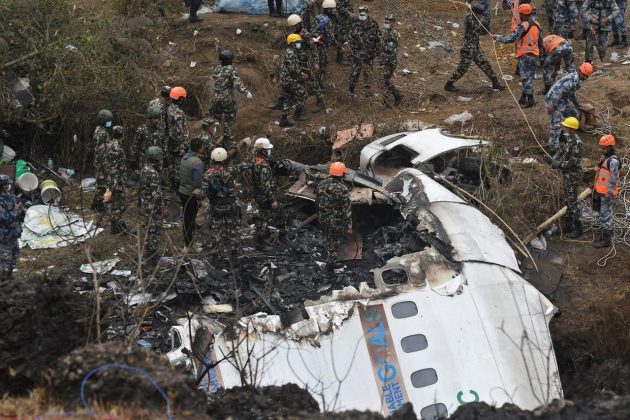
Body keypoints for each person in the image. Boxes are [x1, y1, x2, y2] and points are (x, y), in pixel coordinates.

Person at [445, 4, 505, 93]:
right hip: (468, 49)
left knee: (485, 63)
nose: (481, 16)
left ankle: (495, 83)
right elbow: (480, 29)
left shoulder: (475, 17)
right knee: (463, 68)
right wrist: (485, 20)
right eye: (480, 14)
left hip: (475, 48)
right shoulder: (469, 19)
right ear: (475, 13)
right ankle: (449, 84)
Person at [492, 3, 543, 108]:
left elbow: (512, 38)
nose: (518, 15)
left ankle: (530, 99)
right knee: (528, 77)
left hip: (525, 55)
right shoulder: (536, 24)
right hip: (534, 54)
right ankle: (524, 96)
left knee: (525, 78)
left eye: (520, 14)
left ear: (524, 14)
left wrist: (498, 37)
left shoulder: (524, 25)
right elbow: (540, 41)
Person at [544, 62, 593, 153]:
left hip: (562, 100)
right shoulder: (571, 81)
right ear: (580, 71)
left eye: (587, 76)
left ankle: (562, 133)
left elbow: (571, 95)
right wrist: (553, 106)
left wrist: (578, 104)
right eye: (585, 75)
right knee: (556, 126)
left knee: (573, 114)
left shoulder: (576, 80)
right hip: (553, 101)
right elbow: (558, 93)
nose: (585, 78)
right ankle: (552, 149)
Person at [210, 50, 253, 150]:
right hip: (227, 98)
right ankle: (226, 141)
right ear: (229, 60)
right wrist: (246, 92)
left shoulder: (217, 68)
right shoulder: (231, 69)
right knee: (229, 120)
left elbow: (216, 78)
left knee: (215, 120)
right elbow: (237, 84)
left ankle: (212, 140)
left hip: (216, 97)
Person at [203, 147, 241, 259]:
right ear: (224, 159)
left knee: (216, 229)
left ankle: (215, 252)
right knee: (232, 228)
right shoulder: (230, 171)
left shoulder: (208, 174)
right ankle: (234, 252)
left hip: (216, 205)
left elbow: (203, 191)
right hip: (230, 204)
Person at [551, 117, 583, 239]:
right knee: (568, 201)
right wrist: (556, 157)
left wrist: (558, 164)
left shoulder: (577, 143)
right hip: (567, 175)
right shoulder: (570, 139)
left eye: (565, 126)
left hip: (573, 176)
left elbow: (573, 163)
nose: (564, 128)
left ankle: (578, 228)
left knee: (572, 202)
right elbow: (564, 153)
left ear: (571, 129)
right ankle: (569, 225)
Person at [316, 162, 351, 271]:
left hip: (323, 218)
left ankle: (329, 258)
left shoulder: (321, 184)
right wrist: (349, 226)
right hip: (335, 221)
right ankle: (330, 267)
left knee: (328, 238)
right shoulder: (342, 188)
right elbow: (347, 209)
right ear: (342, 174)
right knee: (334, 242)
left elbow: (317, 201)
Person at [593, 134, 621, 248]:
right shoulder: (605, 158)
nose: (602, 150)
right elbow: (600, 173)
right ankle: (606, 232)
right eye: (601, 147)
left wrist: (609, 192)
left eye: (604, 148)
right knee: (602, 212)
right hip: (601, 190)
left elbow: (614, 178)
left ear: (610, 147)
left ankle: (606, 239)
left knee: (606, 214)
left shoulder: (613, 161)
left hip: (606, 193)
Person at [105, 126, 134, 235]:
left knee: (114, 203)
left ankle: (115, 227)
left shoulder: (110, 144)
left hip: (113, 179)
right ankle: (120, 227)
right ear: (122, 135)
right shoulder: (116, 148)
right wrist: (116, 182)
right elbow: (114, 166)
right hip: (117, 180)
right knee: (120, 203)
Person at [348, 5, 381, 97]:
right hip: (356, 55)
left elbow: (378, 39)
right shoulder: (354, 23)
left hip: (369, 55)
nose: (362, 14)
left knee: (368, 73)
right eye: (361, 13)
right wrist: (351, 53)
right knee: (355, 73)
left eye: (364, 13)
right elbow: (350, 39)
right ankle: (351, 91)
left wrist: (376, 52)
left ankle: (367, 92)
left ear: (367, 13)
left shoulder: (373, 23)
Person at [179, 138, 205, 248]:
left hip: (182, 192)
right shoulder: (197, 162)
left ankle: (188, 241)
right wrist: (199, 199)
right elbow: (197, 184)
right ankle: (189, 244)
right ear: (200, 149)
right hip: (191, 195)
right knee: (190, 219)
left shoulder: (184, 158)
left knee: (186, 218)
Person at [251, 138, 278, 244]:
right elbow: (266, 185)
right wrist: (272, 200)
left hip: (257, 193)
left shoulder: (255, 160)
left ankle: (261, 234)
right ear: (263, 151)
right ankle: (260, 241)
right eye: (267, 149)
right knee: (264, 218)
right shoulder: (264, 166)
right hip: (264, 196)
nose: (269, 151)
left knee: (261, 215)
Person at [279, 34, 309, 128]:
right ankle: (297, 115)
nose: (299, 44)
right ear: (292, 43)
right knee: (303, 94)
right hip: (289, 80)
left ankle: (283, 120)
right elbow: (294, 69)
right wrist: (304, 75)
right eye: (297, 42)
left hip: (286, 79)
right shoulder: (291, 53)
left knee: (287, 99)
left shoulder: (290, 52)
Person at [140, 146, 164, 263]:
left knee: (149, 228)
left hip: (145, 203)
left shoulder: (144, 169)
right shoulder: (153, 173)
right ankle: (152, 255)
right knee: (155, 230)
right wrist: (162, 208)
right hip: (153, 206)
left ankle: (149, 251)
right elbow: (156, 194)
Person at [0, 174, 24, 282]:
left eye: (8, 184)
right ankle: (3, 282)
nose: (8, 186)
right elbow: (5, 218)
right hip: (4, 235)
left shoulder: (9, 194)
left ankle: (9, 278)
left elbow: (17, 205)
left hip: (13, 233)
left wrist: (20, 207)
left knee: (15, 255)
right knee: (5, 259)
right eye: (6, 184)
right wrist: (16, 210)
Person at [167, 86, 190, 189]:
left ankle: (173, 185)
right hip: (178, 145)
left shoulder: (170, 108)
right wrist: (183, 146)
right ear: (180, 99)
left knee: (172, 166)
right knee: (178, 168)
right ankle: (178, 188)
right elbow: (179, 131)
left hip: (171, 143)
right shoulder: (178, 113)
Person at [91, 109, 113, 213]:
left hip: (102, 161)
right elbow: (101, 150)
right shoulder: (101, 132)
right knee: (101, 184)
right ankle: (98, 205)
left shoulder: (101, 130)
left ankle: (95, 203)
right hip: (102, 162)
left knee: (101, 183)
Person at [133, 106, 167, 173]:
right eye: (155, 118)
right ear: (149, 119)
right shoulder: (141, 130)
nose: (157, 120)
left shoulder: (161, 128)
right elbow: (135, 146)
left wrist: (165, 157)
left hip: (158, 162)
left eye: (158, 118)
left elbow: (163, 143)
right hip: (145, 162)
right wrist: (134, 162)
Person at [380, 15, 403, 107]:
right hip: (385, 60)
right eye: (386, 21)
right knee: (385, 80)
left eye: (389, 21)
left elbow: (389, 49)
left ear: (393, 23)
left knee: (384, 80)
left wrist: (380, 42)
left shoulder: (393, 34)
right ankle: (396, 95)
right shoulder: (386, 32)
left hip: (389, 61)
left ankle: (387, 101)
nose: (386, 23)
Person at [334, 0, 354, 66]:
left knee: (347, 36)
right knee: (341, 38)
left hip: (347, 19)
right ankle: (339, 58)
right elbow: (337, 4)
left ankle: (347, 54)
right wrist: (348, 14)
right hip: (342, 19)